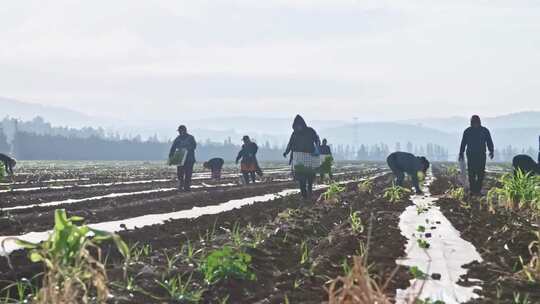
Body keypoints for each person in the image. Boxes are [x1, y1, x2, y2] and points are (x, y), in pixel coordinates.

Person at [283, 115, 321, 199]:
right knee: (301, 177)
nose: (297, 128)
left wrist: (317, 148)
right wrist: (286, 151)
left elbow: (317, 139)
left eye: (298, 126)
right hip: (299, 158)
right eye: (296, 126)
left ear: (302, 124)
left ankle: (310, 189)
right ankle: (304, 194)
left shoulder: (310, 131)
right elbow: (290, 143)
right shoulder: (294, 134)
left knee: (310, 175)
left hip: (309, 156)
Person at [459, 115, 494, 196]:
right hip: (471, 155)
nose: (475, 124)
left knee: (480, 173)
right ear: (471, 123)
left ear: (479, 122)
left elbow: (489, 141)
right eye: (473, 123)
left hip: (481, 155)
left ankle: (478, 190)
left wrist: (491, 151)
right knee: (471, 172)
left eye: (476, 122)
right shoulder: (467, 131)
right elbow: (463, 143)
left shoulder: (484, 131)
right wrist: (461, 152)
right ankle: (473, 190)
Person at [169, 125, 197, 191]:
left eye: (180, 131)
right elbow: (173, 147)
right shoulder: (178, 138)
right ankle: (181, 186)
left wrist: (187, 149)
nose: (179, 132)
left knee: (188, 173)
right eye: (179, 131)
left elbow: (194, 146)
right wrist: (171, 156)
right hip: (180, 158)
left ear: (184, 131)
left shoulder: (191, 138)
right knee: (180, 174)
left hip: (189, 159)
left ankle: (187, 187)